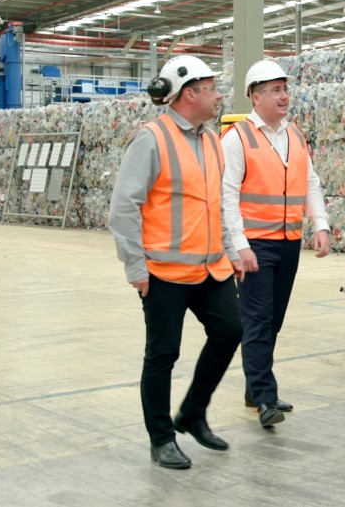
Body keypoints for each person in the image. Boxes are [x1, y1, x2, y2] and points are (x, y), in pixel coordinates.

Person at [108, 55, 243, 470]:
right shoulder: (152, 138)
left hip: (209, 267)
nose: (219, 94)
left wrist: (230, 251)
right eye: (212, 88)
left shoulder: (210, 140)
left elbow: (214, 204)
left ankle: (192, 412)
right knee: (163, 354)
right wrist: (135, 267)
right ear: (189, 94)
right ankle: (162, 438)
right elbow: (123, 209)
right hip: (164, 272)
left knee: (230, 331)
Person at [222, 58, 331, 429]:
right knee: (257, 319)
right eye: (274, 90)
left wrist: (321, 224)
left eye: (284, 88)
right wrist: (238, 244)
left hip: (288, 242)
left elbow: (310, 183)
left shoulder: (295, 135)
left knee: (275, 319)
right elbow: (226, 195)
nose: (283, 96)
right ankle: (265, 398)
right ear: (255, 97)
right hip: (254, 243)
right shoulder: (236, 139)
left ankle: (256, 387)